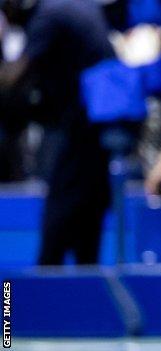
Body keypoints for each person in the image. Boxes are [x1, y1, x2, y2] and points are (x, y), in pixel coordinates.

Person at [0, 0, 114, 264]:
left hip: (84, 124)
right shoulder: (67, 7)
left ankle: (44, 284)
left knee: (60, 211)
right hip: (96, 120)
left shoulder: (47, 19)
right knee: (87, 211)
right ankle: (85, 279)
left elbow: (15, 75)